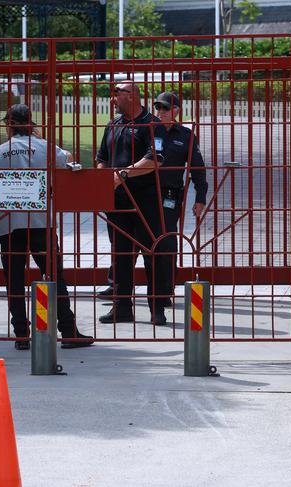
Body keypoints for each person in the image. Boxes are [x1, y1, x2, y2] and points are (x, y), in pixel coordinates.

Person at [0, 104, 94, 350]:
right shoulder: (45, 148)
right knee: (54, 275)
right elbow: (67, 159)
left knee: (14, 279)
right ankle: (68, 330)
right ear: (31, 124)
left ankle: (21, 334)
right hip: (40, 223)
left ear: (8, 125)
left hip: (9, 223)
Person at [95, 81, 167, 325]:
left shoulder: (152, 124)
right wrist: (105, 176)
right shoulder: (113, 125)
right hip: (117, 202)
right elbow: (101, 158)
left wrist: (122, 174)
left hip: (146, 202)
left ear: (133, 96)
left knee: (152, 253)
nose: (113, 98)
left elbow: (155, 159)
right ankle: (122, 308)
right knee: (121, 256)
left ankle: (157, 308)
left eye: (118, 93)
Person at [147, 92, 208, 310]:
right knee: (142, 243)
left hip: (170, 197)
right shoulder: (149, 130)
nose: (161, 112)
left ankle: (165, 290)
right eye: (158, 108)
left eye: (165, 108)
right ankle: (122, 291)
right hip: (144, 194)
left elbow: (198, 170)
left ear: (176, 111)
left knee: (167, 242)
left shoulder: (186, 135)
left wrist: (200, 198)